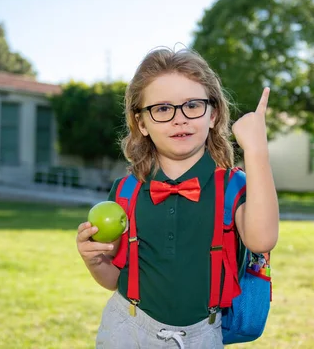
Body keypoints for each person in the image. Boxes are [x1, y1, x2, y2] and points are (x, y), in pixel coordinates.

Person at [76, 47, 279, 348]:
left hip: (203, 335)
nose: (179, 119)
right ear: (141, 123)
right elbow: (113, 279)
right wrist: (94, 261)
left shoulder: (233, 186)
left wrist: (256, 151)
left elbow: (262, 240)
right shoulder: (124, 192)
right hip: (126, 329)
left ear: (214, 114)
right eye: (161, 109)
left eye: (193, 105)